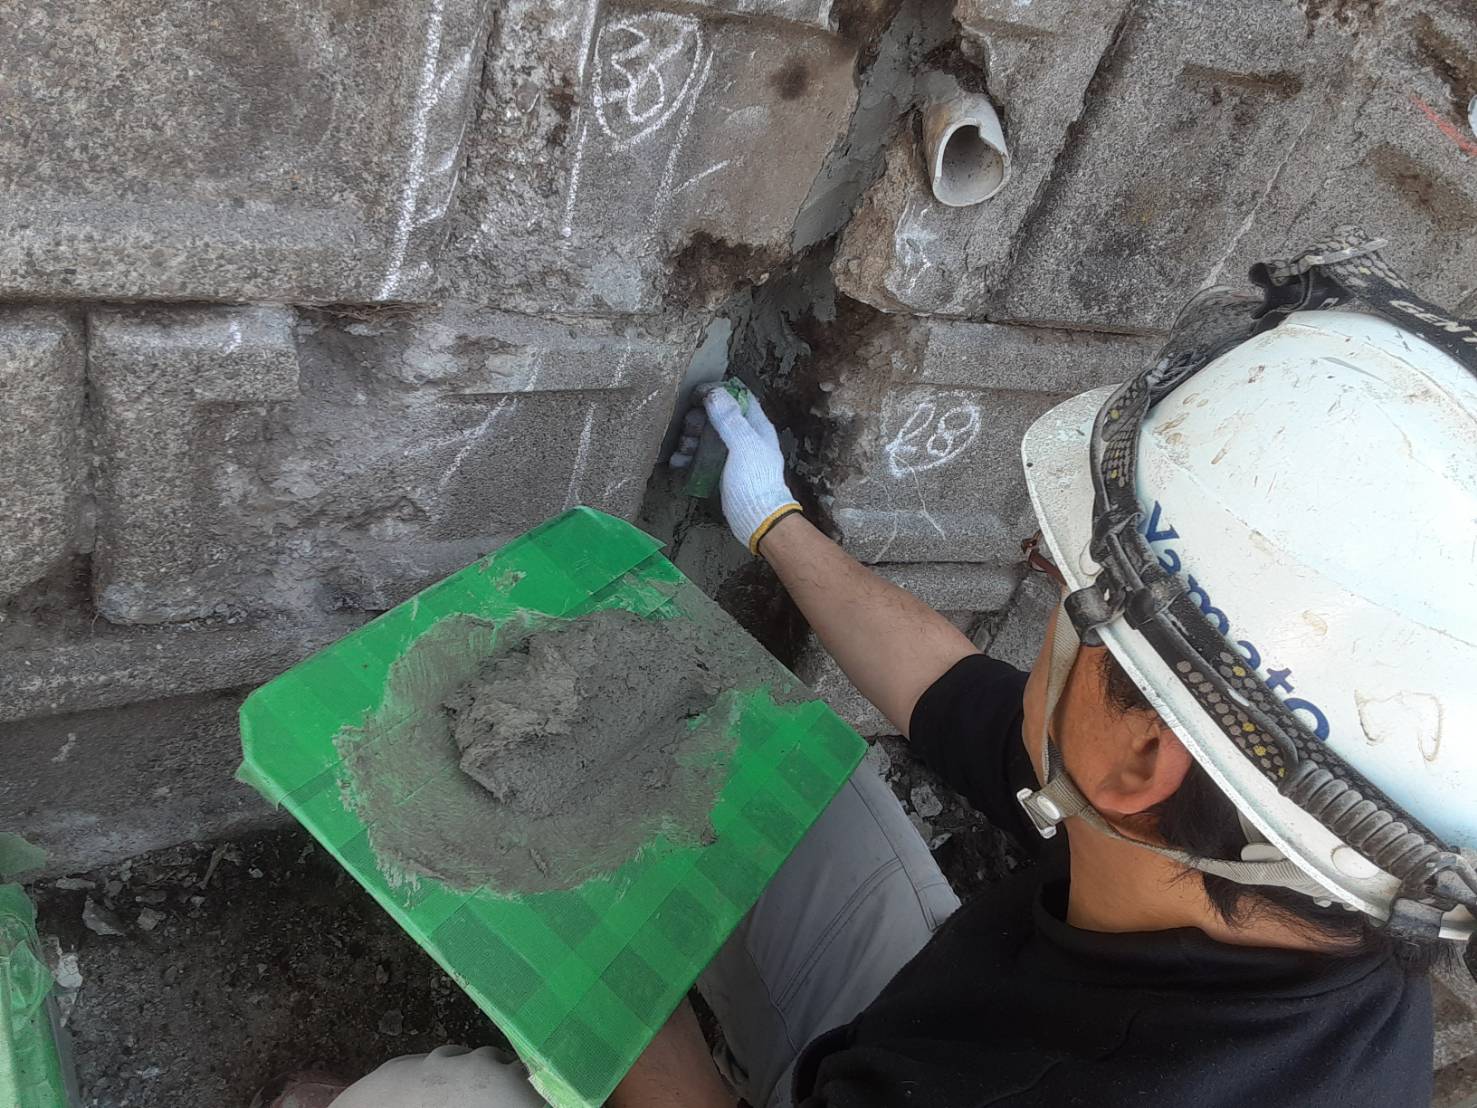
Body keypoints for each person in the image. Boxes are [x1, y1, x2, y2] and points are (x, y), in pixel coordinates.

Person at [255, 232, 1476, 1108]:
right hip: (931, 1022)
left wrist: (609, 989)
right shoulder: (1297, 873)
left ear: (1143, 757)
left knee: (422, 1098)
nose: (1047, 588)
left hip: (932, 1068)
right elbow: (953, 699)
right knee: (794, 773)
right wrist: (773, 521)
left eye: (1072, 594)